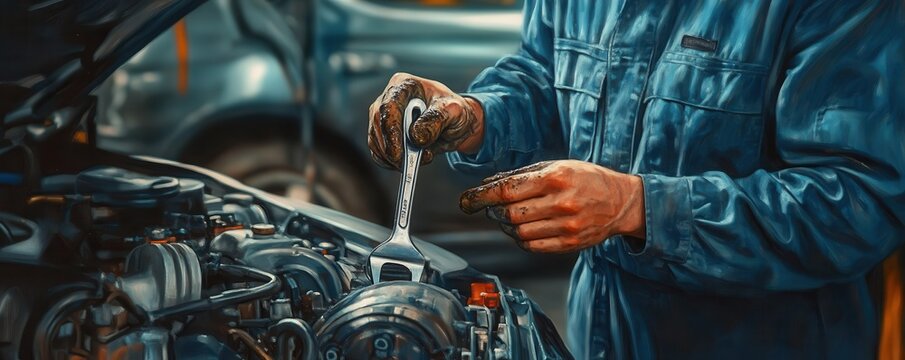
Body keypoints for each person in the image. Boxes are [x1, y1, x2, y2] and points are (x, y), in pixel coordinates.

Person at [368, 0, 905, 358]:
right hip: (599, 332)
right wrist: (475, 117)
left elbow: (862, 198)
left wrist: (638, 208)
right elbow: (544, 71)